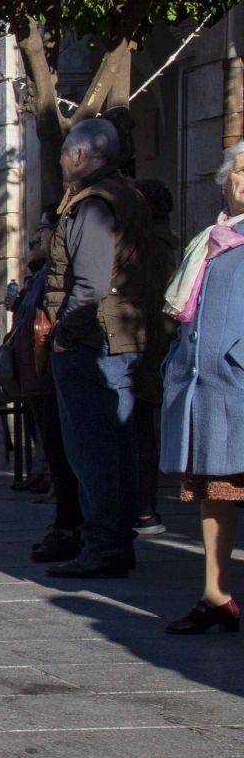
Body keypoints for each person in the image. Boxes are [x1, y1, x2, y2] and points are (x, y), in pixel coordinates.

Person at [43, 118, 156, 579]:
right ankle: (114, 541)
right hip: (117, 335)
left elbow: (88, 284)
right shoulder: (126, 195)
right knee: (116, 443)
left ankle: (105, 543)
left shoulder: (93, 205)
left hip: (94, 341)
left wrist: (66, 335)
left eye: (65, 153)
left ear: (79, 156)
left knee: (93, 448)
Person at [158, 141, 244, 633]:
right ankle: (215, 595)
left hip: (236, 380)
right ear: (225, 177)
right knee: (218, 493)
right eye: (241, 169)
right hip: (207, 387)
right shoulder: (210, 238)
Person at [8, 211, 85, 563]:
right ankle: (66, 522)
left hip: (51, 372)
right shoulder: (39, 273)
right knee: (54, 449)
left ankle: (71, 526)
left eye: (43, 227)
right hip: (38, 374)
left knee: (63, 450)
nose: (37, 233)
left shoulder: (59, 268)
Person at [133, 178, 180, 536]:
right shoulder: (160, 245)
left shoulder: (149, 248)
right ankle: (144, 508)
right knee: (139, 429)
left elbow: (147, 304)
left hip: (145, 347)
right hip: (151, 346)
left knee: (137, 431)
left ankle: (145, 510)